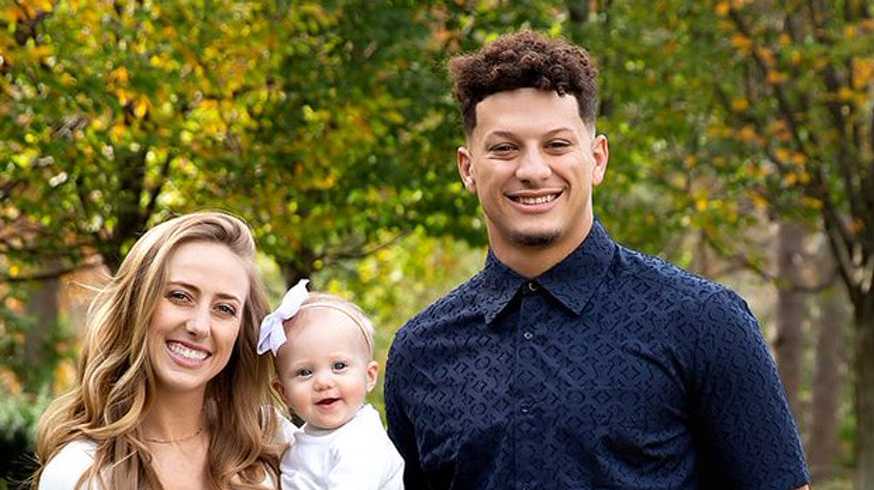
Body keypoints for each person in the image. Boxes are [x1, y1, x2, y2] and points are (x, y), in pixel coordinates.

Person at [384, 30, 810, 489]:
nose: (531, 170)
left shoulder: (703, 321)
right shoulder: (419, 351)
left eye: (557, 145)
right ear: (468, 168)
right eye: (505, 148)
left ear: (597, 158)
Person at [33, 211, 284, 489]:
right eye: (180, 296)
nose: (199, 326)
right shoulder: (80, 472)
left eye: (224, 309)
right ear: (136, 305)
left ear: (241, 331)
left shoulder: (273, 442)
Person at [257, 280, 404, 490]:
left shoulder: (362, 444)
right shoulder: (310, 436)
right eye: (305, 372)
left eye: (339, 366)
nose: (323, 382)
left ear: (369, 376)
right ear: (283, 392)